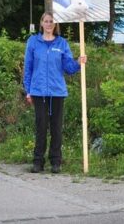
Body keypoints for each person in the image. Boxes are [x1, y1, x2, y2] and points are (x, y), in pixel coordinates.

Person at [22, 11, 87, 174]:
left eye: (52, 21)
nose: (49, 24)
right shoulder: (33, 42)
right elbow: (28, 68)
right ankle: (38, 162)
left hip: (57, 92)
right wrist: (28, 90)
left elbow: (69, 68)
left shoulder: (62, 44)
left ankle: (56, 162)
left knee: (57, 128)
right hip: (38, 92)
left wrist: (78, 62)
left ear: (55, 25)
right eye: (46, 21)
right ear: (41, 23)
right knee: (41, 127)